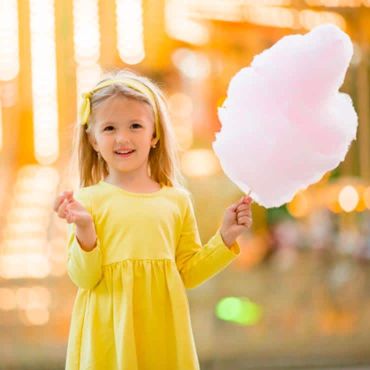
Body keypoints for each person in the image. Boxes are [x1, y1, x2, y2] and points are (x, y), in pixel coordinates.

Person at [53, 69, 253, 370]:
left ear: (155, 134)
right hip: (109, 336)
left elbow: (189, 272)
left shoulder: (176, 200)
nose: (123, 138)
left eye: (135, 125)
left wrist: (225, 237)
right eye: (109, 128)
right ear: (93, 140)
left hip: (162, 333)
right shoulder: (88, 201)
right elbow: (84, 278)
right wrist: (85, 230)